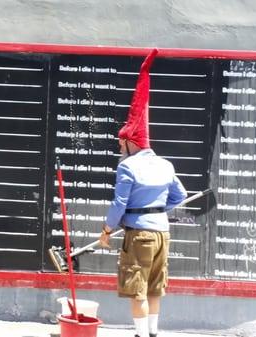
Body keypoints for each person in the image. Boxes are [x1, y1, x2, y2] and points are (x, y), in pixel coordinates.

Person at [99, 49, 187, 337]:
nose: (118, 149)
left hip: (138, 236)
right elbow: (180, 196)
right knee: (154, 286)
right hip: (163, 233)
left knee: (136, 286)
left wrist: (107, 229)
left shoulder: (128, 168)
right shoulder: (165, 164)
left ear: (130, 143)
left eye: (120, 143)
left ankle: (139, 335)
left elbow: (119, 203)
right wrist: (157, 208)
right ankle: (152, 333)